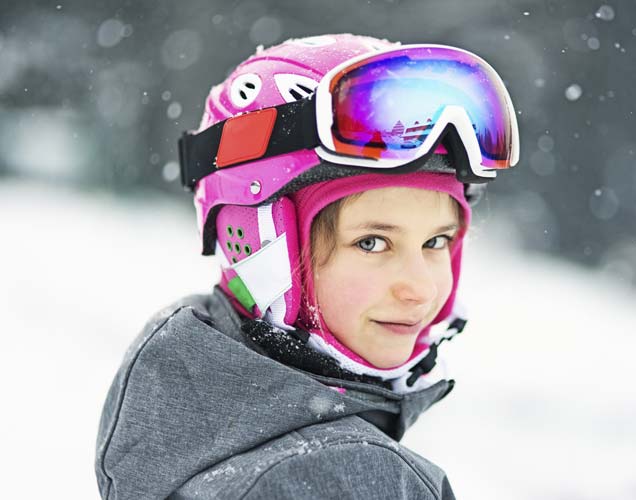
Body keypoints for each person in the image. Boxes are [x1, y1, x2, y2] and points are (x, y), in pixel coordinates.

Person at [95, 33, 519, 499]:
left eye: (436, 241)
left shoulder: (178, 410)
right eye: (372, 242)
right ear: (257, 243)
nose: (418, 288)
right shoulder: (351, 477)